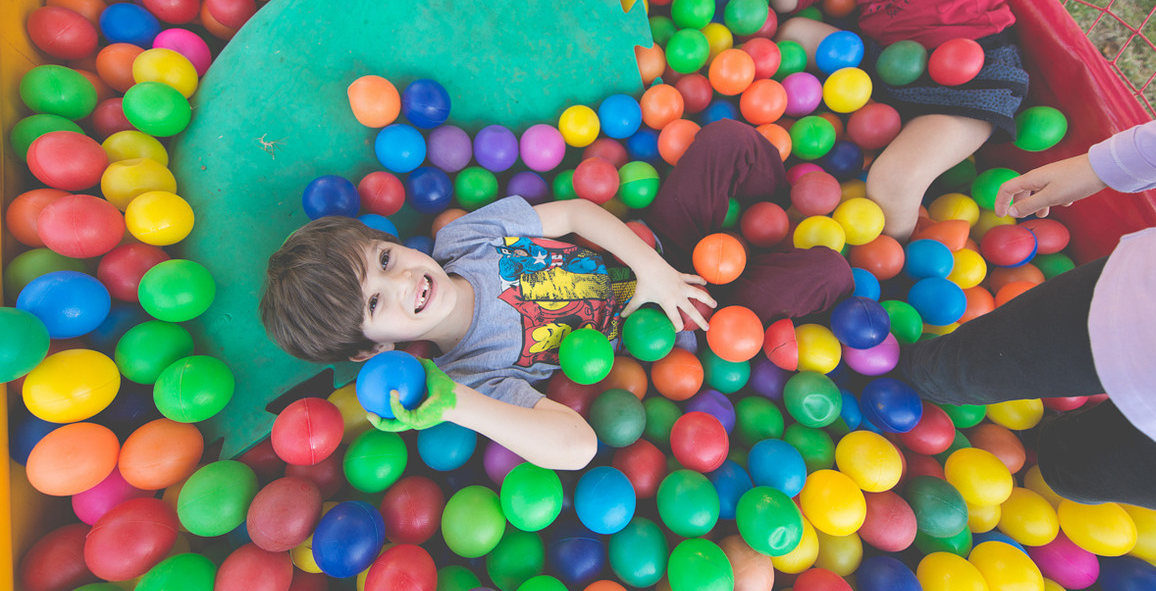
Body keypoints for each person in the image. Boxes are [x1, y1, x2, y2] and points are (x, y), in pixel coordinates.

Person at [261, 120, 854, 469]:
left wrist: (654, 269)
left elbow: (573, 209)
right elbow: (577, 446)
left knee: (728, 137)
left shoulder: (461, 238)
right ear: (374, 350)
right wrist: (451, 405)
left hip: (652, 249)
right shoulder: (472, 378)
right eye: (374, 304)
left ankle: (772, 205)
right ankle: (785, 257)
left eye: (384, 260)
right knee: (827, 273)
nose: (400, 282)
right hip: (675, 325)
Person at [704, 0, 1148, 240]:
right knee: (795, 31)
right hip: (887, 69)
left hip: (970, 79)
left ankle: (887, 269)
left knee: (891, 182)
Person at [897, 103, 1156, 511]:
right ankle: (920, 376)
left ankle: (1046, 450)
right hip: (1155, 305)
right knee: (952, 370)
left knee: (1072, 471)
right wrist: (1104, 167)